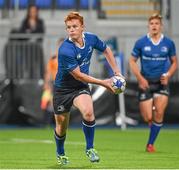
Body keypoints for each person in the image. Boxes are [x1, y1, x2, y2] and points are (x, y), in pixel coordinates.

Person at [53, 11, 123, 165]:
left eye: (75, 26)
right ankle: (60, 152)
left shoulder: (91, 38)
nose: (71, 29)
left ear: (82, 27)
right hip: (63, 90)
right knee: (61, 126)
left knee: (89, 112)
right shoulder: (65, 49)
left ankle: (90, 148)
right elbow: (79, 75)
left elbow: (107, 50)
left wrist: (117, 72)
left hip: (80, 87)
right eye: (69, 27)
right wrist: (105, 83)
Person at [129, 13, 178, 153]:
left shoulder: (168, 43)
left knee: (159, 113)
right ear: (148, 26)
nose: (154, 26)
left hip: (162, 83)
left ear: (161, 26)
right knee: (147, 117)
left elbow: (175, 62)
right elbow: (132, 61)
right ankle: (154, 121)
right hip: (145, 82)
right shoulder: (141, 42)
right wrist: (140, 78)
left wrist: (168, 75)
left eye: (157, 23)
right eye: (152, 23)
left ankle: (150, 144)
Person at [41, 38, 64, 124]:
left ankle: (62, 122)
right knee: (52, 103)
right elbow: (48, 72)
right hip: (56, 84)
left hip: (66, 85)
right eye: (60, 45)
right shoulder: (53, 58)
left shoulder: (69, 58)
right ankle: (48, 122)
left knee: (63, 104)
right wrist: (47, 83)